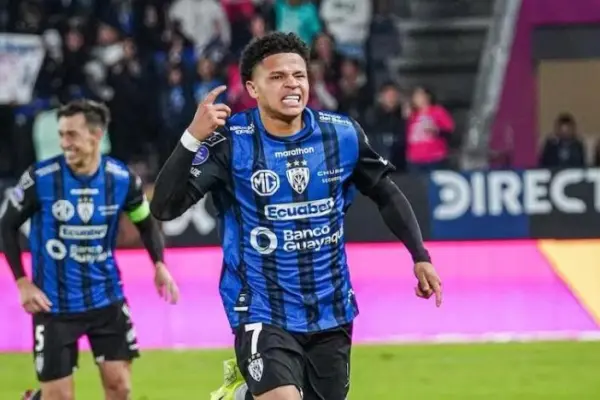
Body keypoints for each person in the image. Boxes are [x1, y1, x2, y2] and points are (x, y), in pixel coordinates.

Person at [150, 32, 443, 400]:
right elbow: (164, 207)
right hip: (260, 306)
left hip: (331, 308)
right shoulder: (231, 142)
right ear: (252, 88)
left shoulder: (341, 135)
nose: (291, 84)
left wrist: (420, 256)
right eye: (277, 76)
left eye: (299, 75)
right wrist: (192, 137)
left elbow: (386, 193)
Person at [0, 99, 180, 400]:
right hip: (53, 305)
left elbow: (146, 223)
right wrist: (22, 282)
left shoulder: (122, 179)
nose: (64, 143)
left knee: (120, 388)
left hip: (106, 298)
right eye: (61, 134)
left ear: (96, 135)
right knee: (59, 397)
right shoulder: (40, 178)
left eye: (72, 134)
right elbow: (6, 226)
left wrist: (159, 264)